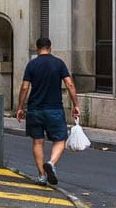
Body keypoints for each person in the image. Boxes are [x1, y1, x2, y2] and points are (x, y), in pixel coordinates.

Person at [15, 37, 81, 186]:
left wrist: (20, 107)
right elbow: (69, 84)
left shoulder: (32, 65)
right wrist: (76, 104)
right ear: (50, 48)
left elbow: (25, 87)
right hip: (54, 109)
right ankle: (51, 163)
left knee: (37, 142)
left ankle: (42, 176)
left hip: (35, 109)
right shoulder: (59, 63)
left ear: (37, 48)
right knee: (60, 140)